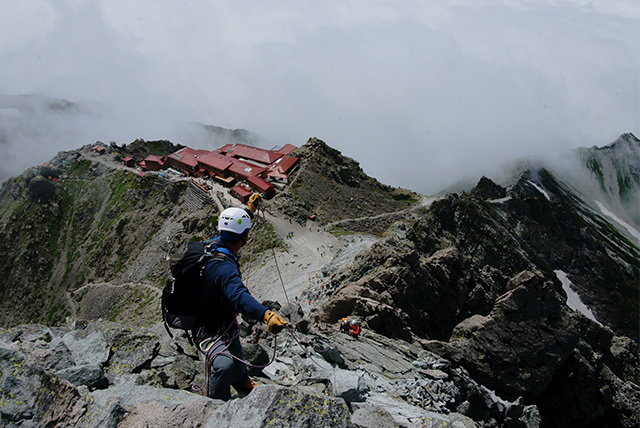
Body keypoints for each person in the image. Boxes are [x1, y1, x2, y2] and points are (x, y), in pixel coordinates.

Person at [192, 194, 287, 401]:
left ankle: (241, 378)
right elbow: (240, 297)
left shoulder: (217, 243)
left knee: (235, 345)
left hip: (222, 317)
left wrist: (249, 211)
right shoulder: (224, 267)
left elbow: (236, 226)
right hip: (205, 328)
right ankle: (216, 405)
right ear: (244, 237)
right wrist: (267, 315)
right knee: (223, 364)